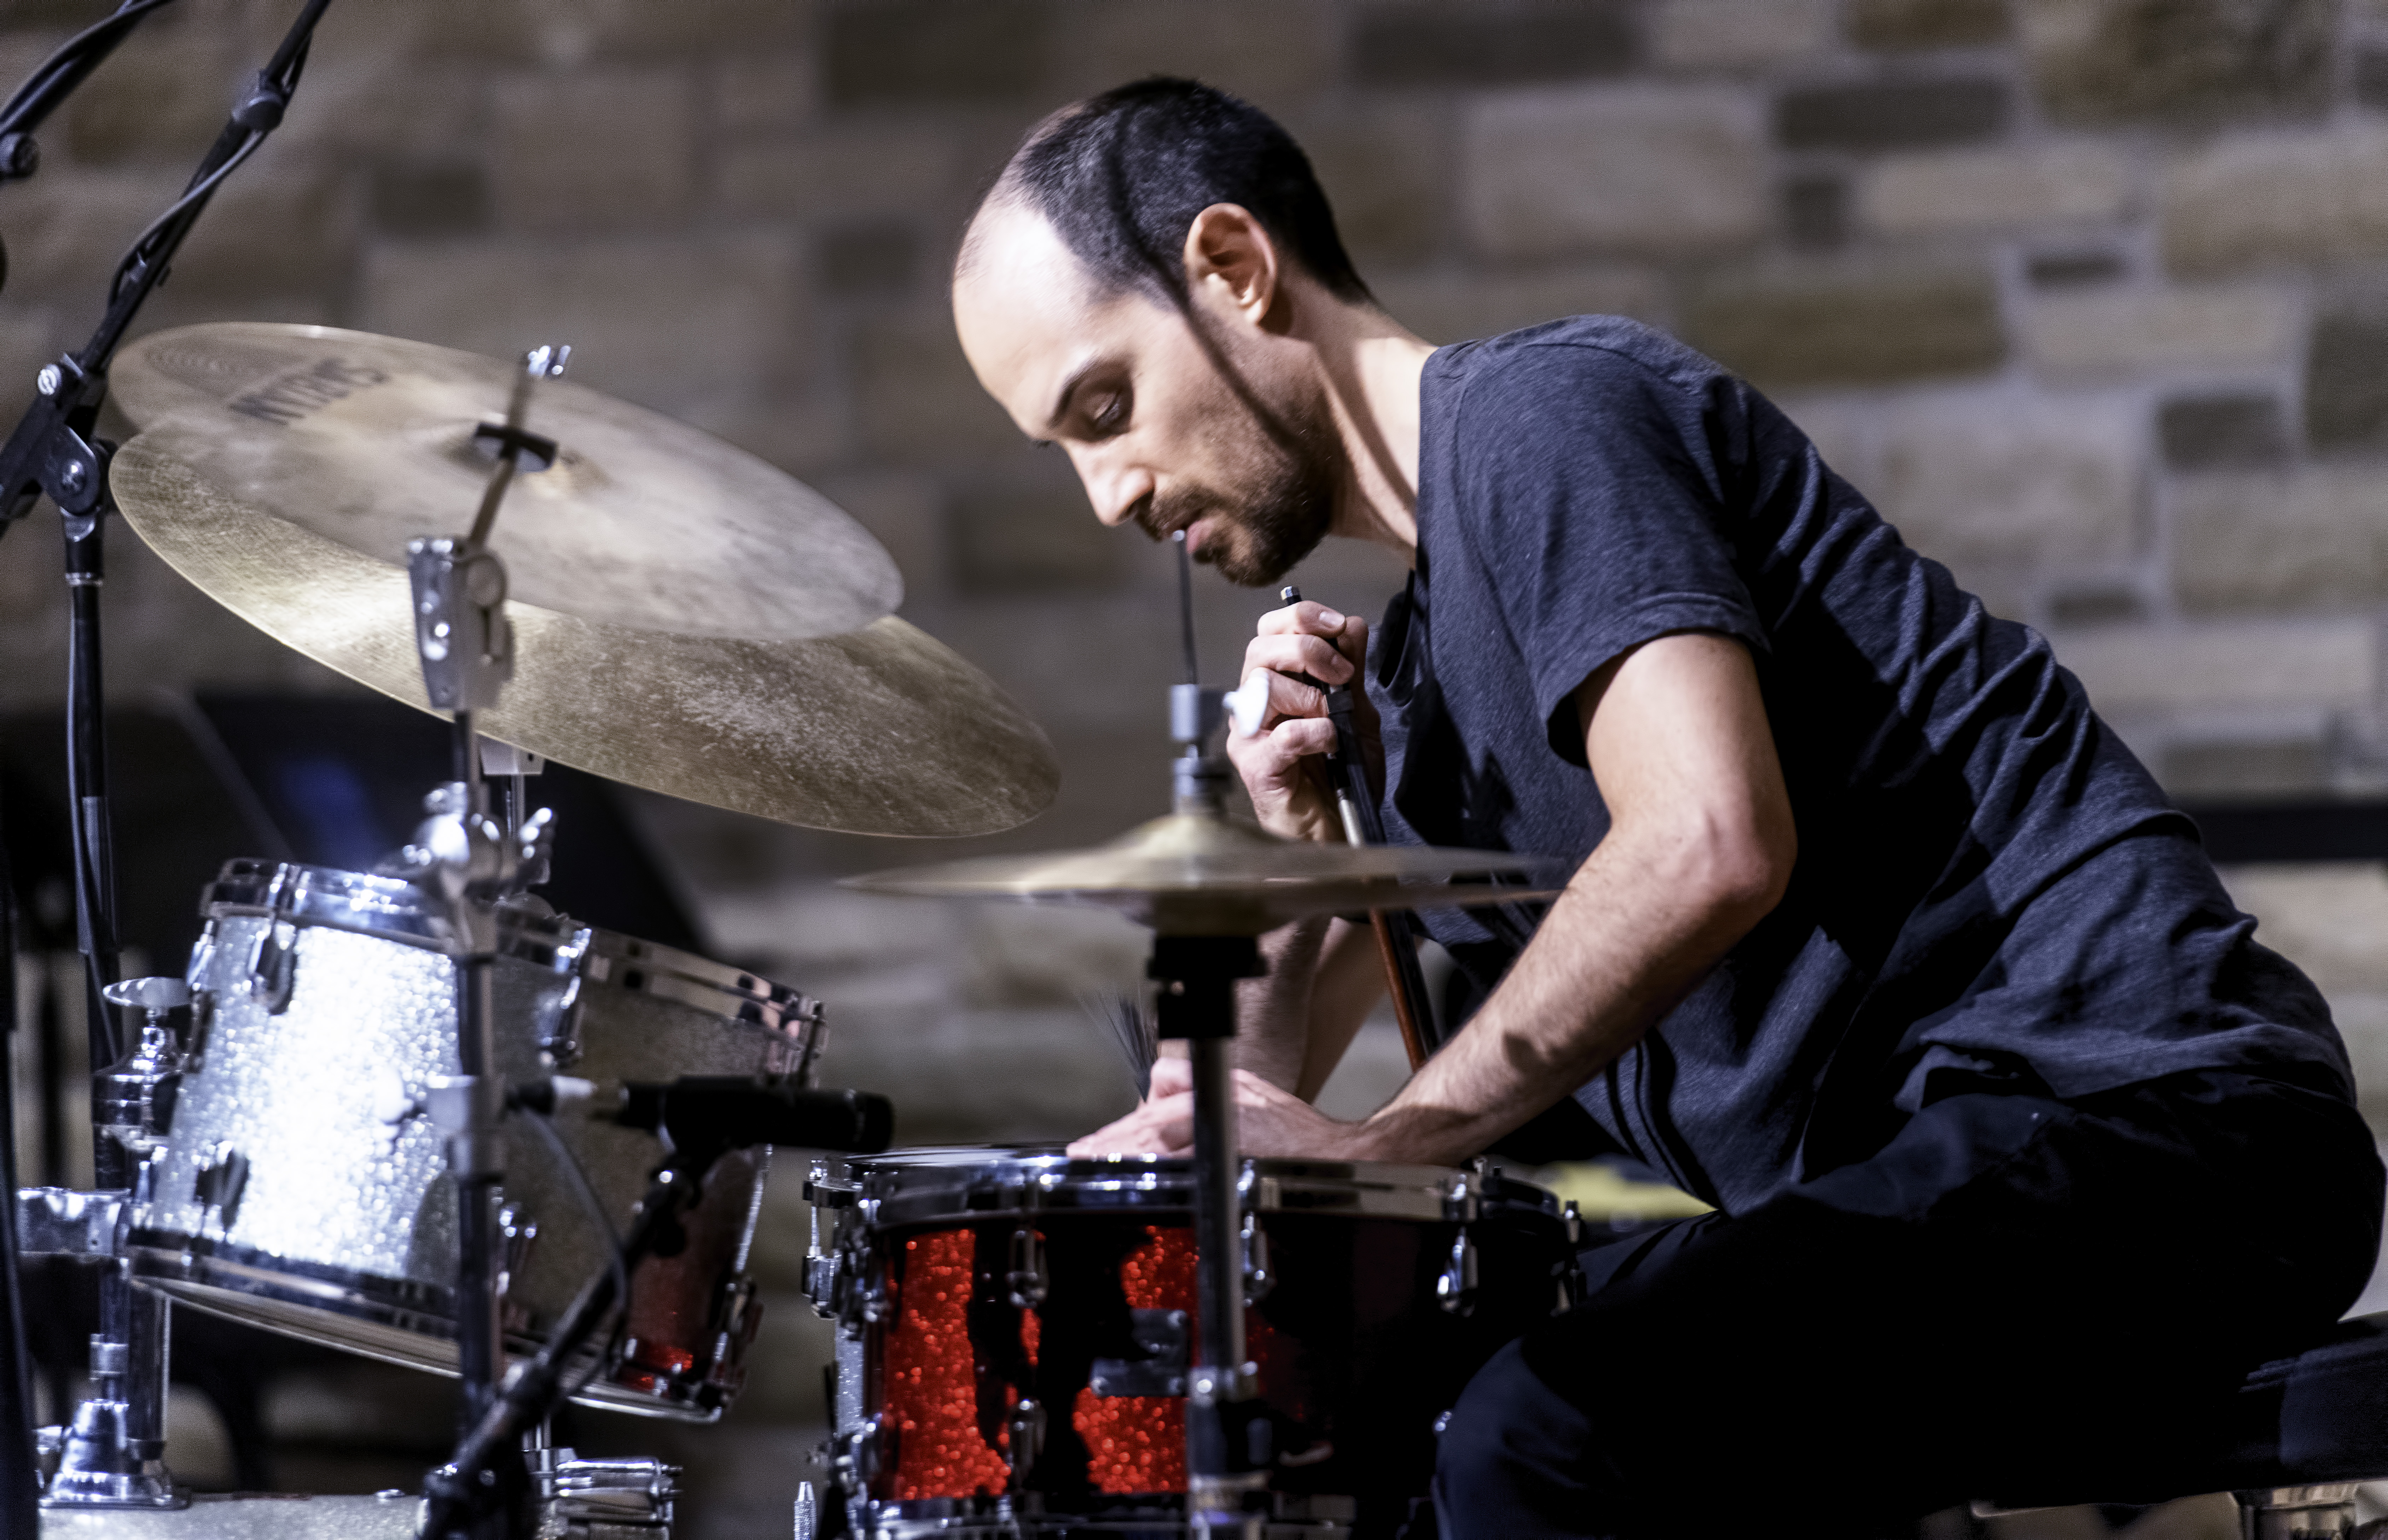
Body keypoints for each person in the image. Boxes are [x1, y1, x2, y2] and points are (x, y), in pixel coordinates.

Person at [948, 76, 2386, 1535]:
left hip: (2157, 1130)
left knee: (1546, 1434)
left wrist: (1400, 1140)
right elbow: (1254, 1110)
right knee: (1384, 1395)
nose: (1104, 495)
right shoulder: (1412, 694)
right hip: (1927, 1191)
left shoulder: (1541, 416)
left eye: (1106, 407)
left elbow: (1709, 846)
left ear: (1235, 271)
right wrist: (1291, 842)